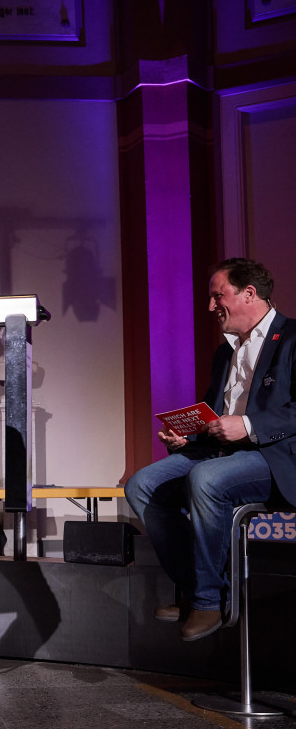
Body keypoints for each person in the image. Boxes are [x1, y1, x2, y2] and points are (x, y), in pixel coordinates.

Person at [125, 258, 296, 642]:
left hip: (274, 457)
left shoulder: (293, 338)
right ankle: (196, 590)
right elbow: (216, 414)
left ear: (249, 293)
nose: (210, 306)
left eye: (217, 295)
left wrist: (249, 425)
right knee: (141, 485)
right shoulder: (225, 352)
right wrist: (189, 437)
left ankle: (207, 600)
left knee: (207, 479)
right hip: (218, 452)